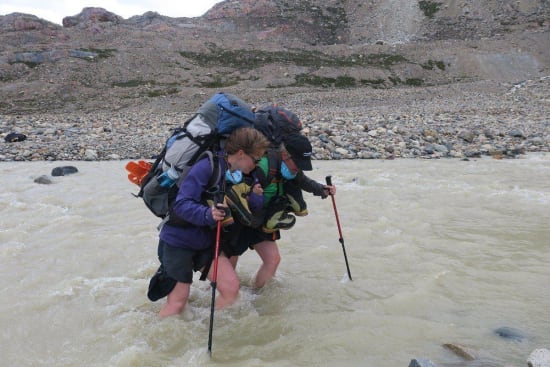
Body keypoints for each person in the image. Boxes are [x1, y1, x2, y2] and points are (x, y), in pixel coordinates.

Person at [148, 127, 270, 318]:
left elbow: (247, 204)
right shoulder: (207, 166)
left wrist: (255, 196)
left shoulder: (237, 174)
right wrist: (208, 214)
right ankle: (154, 338)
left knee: (231, 289)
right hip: (178, 241)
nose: (256, 165)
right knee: (178, 302)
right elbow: (181, 204)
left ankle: (201, 330)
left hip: (205, 241)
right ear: (240, 153)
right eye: (255, 160)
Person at [222, 132, 336, 288]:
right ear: (285, 155)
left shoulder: (291, 168)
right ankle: (220, 297)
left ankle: (256, 298)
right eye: (297, 164)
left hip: (264, 220)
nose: (298, 169)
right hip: (242, 221)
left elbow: (303, 181)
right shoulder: (263, 166)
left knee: (273, 260)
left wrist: (323, 190)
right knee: (230, 261)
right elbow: (236, 188)